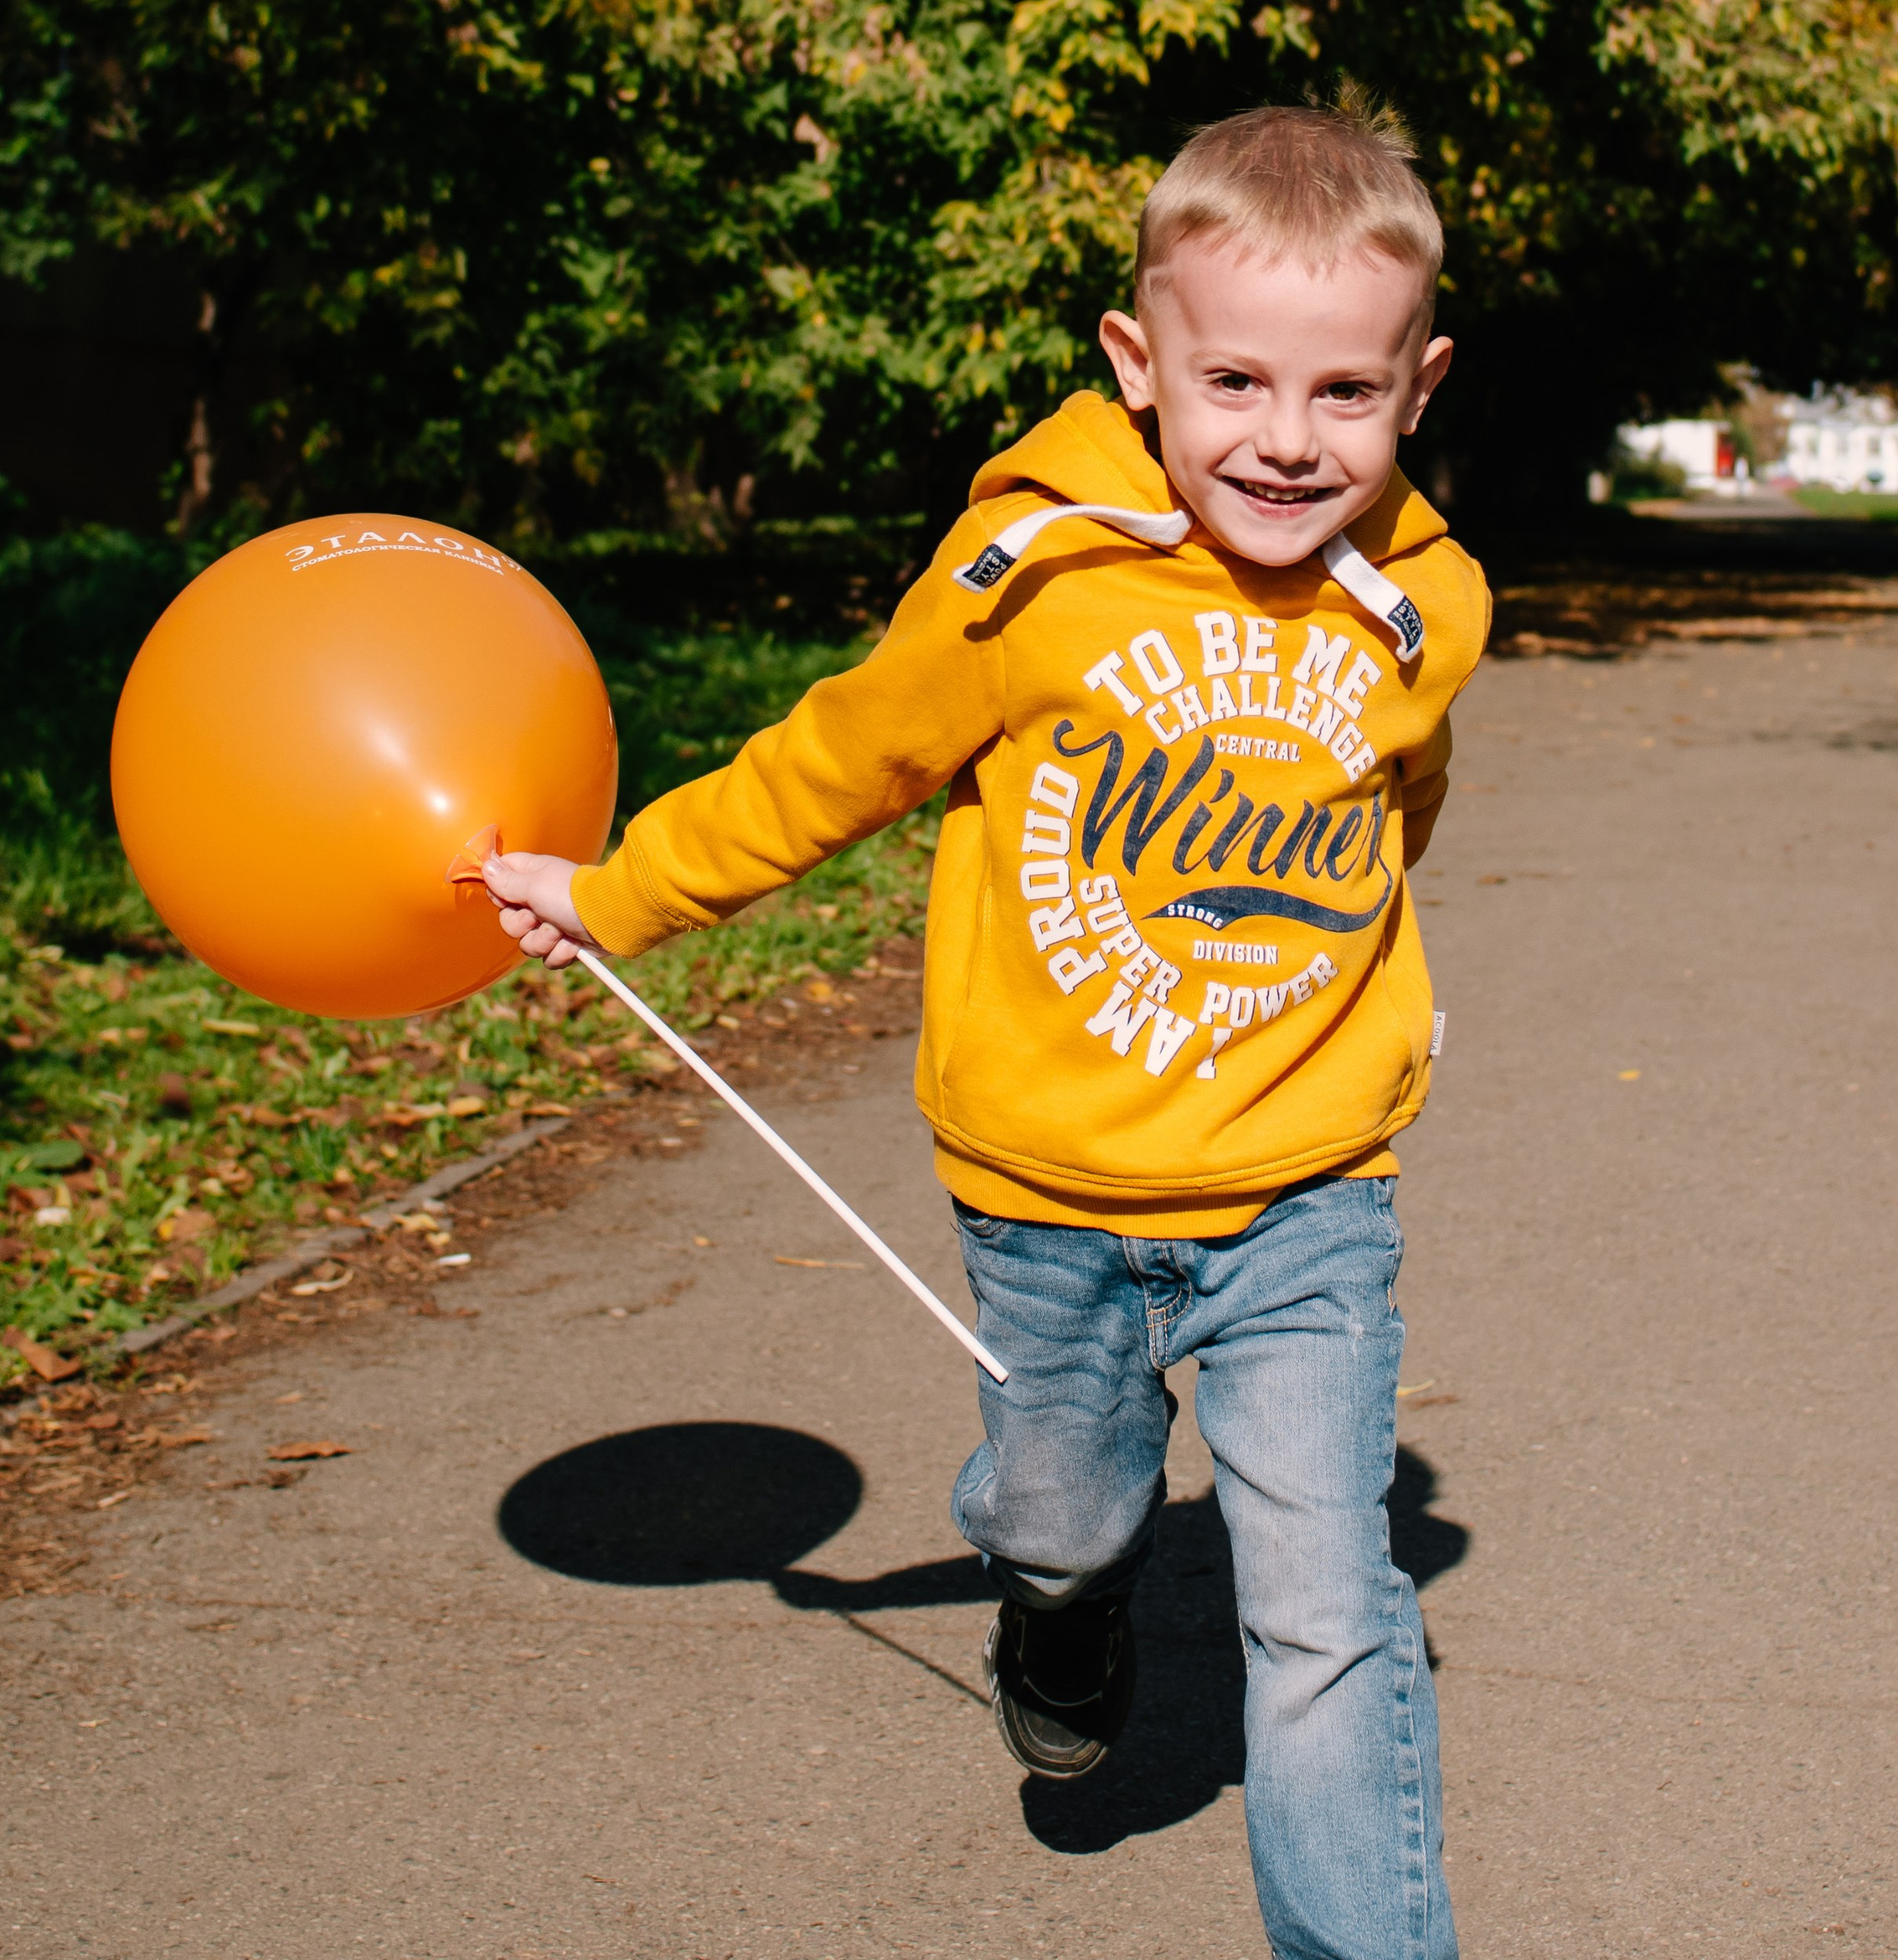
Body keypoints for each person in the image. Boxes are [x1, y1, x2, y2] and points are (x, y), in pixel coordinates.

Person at [487, 98, 1489, 1960]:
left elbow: (1390, 813)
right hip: (1042, 1213)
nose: (1284, 440)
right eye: (1237, 381)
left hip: (1304, 1207)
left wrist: (1371, 1012)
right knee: (1055, 1513)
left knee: (1330, 1611)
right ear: (1138, 362)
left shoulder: (1424, 610)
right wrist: (616, 892)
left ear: (1414, 386)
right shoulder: (1024, 579)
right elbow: (835, 761)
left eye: (1343, 394)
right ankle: (1061, 1600)